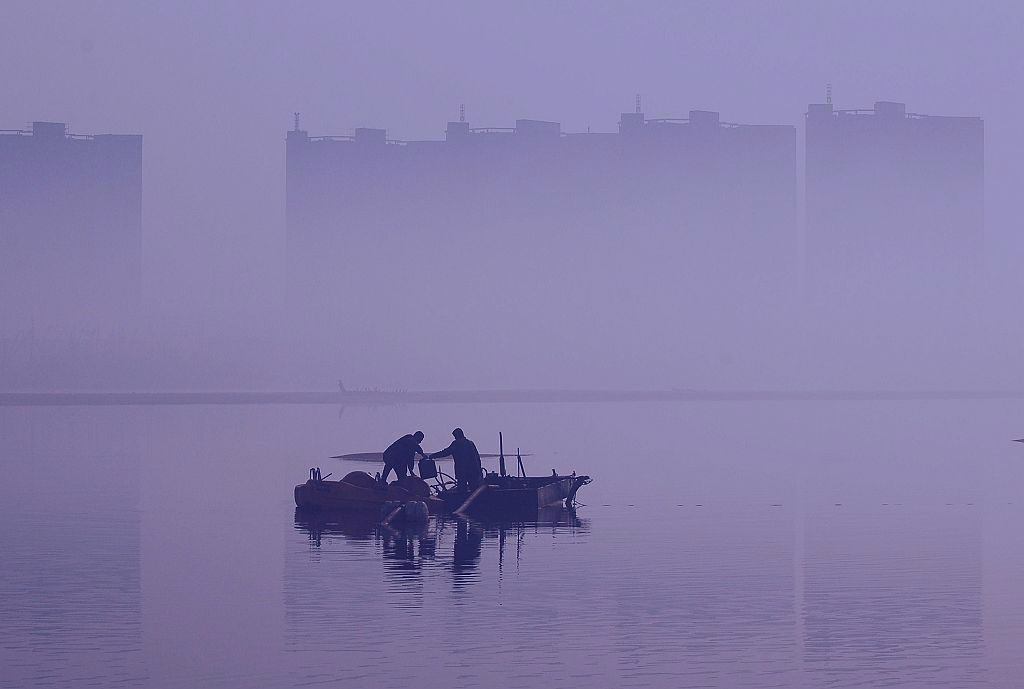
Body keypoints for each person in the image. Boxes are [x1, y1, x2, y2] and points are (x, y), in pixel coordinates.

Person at [429, 428, 482, 492]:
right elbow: (477, 458)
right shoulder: (470, 443)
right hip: (473, 471)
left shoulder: (457, 443)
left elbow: (445, 452)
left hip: (462, 472)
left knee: (462, 491)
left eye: (455, 436)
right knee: (474, 489)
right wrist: (479, 471)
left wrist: (433, 456)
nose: (455, 438)